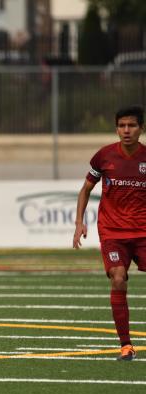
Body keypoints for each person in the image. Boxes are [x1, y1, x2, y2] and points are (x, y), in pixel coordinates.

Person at [73, 105, 146, 361]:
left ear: (141, 128)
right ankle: (126, 345)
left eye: (132, 125)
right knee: (118, 277)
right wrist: (79, 222)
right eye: (122, 126)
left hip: (143, 232)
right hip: (113, 232)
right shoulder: (103, 157)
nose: (126, 130)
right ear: (116, 128)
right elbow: (85, 190)